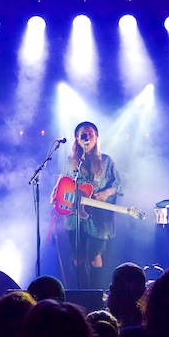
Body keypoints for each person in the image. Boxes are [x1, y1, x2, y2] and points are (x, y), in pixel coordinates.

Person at [55, 121, 121, 290]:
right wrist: (56, 193)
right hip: (75, 216)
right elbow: (64, 180)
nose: (87, 137)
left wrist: (106, 193)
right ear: (77, 139)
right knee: (78, 257)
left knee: (95, 255)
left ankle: (95, 294)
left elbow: (118, 184)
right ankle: (81, 293)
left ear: (96, 137)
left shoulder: (106, 161)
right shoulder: (71, 161)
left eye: (90, 133)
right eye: (82, 135)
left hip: (98, 217)